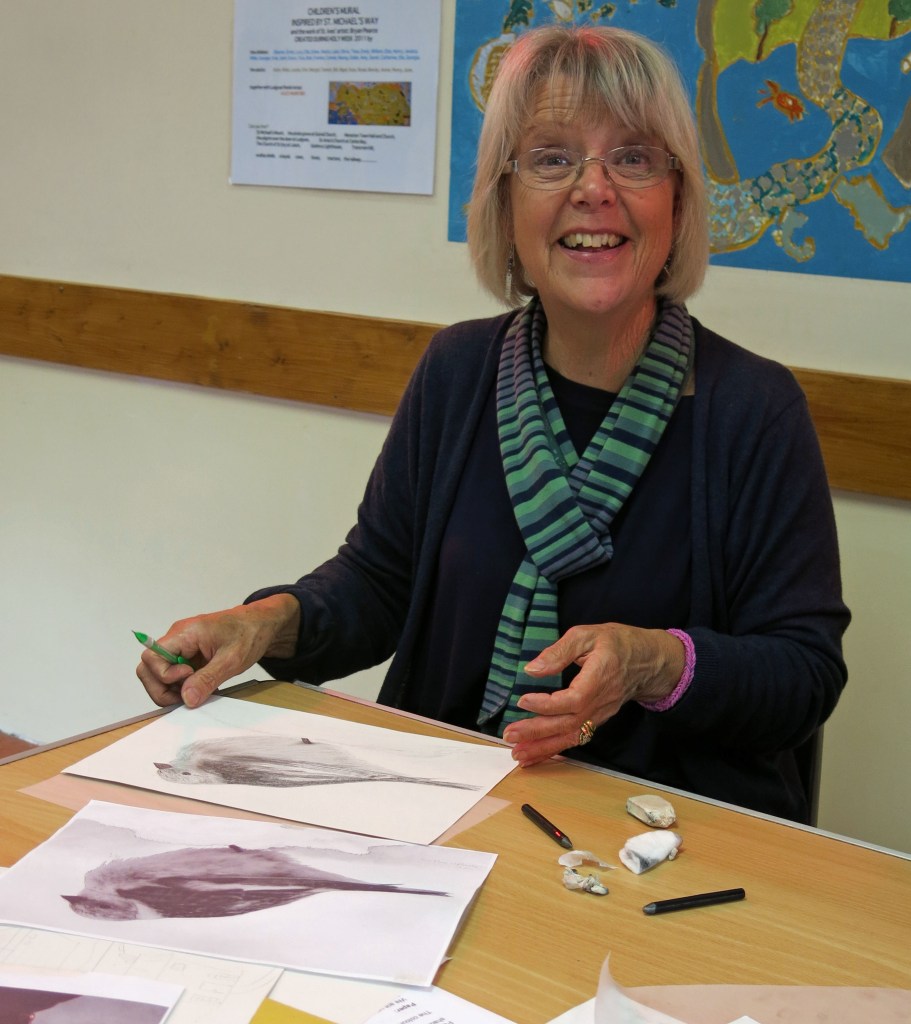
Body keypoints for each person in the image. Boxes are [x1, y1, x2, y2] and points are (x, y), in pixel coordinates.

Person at [137, 25, 849, 824]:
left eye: (634, 157)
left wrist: (652, 661)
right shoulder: (456, 371)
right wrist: (261, 622)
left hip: (662, 840)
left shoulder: (753, 407)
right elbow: (379, 585)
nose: (593, 189)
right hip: (444, 807)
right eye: (551, 158)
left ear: (676, 201)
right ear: (504, 203)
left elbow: (802, 676)